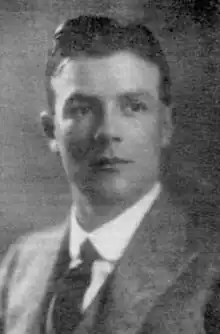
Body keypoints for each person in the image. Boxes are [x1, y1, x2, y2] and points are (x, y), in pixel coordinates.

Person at [0, 15, 219, 334]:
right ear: (51, 132)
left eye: (133, 106)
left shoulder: (211, 269)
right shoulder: (20, 265)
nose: (107, 132)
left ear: (166, 125)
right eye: (82, 109)